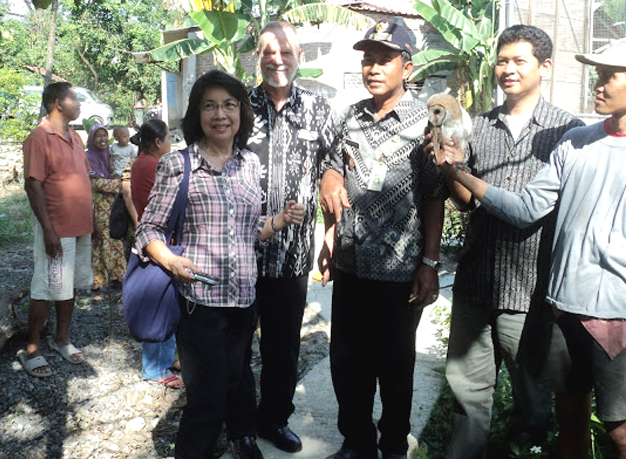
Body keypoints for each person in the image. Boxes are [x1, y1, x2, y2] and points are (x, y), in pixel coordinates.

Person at [432, 37, 626, 459]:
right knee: (570, 421)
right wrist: (458, 170)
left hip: (620, 320)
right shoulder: (575, 142)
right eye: (597, 75)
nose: (598, 84)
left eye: (609, 77)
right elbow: (524, 209)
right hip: (561, 311)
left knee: (622, 435)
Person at [427, 25, 585, 458]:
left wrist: (461, 173)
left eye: (519, 61)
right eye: (502, 61)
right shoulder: (481, 126)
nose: (508, 70)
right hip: (477, 281)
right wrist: (449, 166)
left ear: (545, 66)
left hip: (533, 289)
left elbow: (549, 210)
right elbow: (465, 204)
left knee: (532, 398)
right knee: (467, 394)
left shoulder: (568, 131)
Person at [134, 70, 305, 459]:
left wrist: (279, 220)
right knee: (206, 399)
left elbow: (247, 231)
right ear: (197, 113)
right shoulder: (178, 165)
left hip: (244, 299)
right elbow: (148, 231)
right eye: (209, 105)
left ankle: (240, 436)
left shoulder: (248, 165)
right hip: (199, 301)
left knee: (235, 376)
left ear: (241, 112)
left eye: (229, 104)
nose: (220, 114)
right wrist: (173, 262)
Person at [318, 21, 445, 459]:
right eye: (367, 59)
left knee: (393, 369)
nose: (373, 67)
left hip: (398, 272)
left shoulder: (424, 123)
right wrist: (330, 234)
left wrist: (430, 264)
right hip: (351, 265)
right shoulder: (351, 115)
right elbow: (334, 168)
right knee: (347, 365)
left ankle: (392, 446)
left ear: (406, 67)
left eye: (383, 59)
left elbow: (433, 197)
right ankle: (356, 444)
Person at [240, 21, 338, 454]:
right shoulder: (238, 106)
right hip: (238, 254)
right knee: (237, 348)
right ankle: (240, 427)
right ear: (257, 57)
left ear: (299, 56)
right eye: (268, 52)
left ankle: (273, 421)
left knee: (282, 350)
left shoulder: (319, 109)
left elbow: (335, 167)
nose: (277, 59)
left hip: (292, 257)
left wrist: (330, 236)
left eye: (285, 52)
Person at [20, 82, 94, 377]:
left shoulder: (74, 136)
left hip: (80, 226)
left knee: (69, 285)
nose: (79, 105)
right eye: (75, 99)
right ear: (57, 103)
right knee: (45, 287)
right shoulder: (39, 137)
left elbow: (82, 180)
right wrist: (48, 230)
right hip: (56, 227)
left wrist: (93, 224)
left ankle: (61, 338)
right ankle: (33, 348)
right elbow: (32, 184)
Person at [123, 119, 183, 388]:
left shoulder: (141, 162)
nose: (170, 143)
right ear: (158, 141)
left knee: (166, 302)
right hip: (160, 239)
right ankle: (156, 368)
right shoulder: (153, 164)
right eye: (169, 137)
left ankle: (165, 359)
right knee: (161, 305)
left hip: (155, 238)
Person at [87, 125, 127, 291]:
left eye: (104, 135)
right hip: (99, 206)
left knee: (114, 239)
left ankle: (116, 278)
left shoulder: (111, 155)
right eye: (98, 136)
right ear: (91, 139)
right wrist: (122, 184)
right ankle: (98, 279)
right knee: (101, 241)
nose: (102, 139)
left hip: (113, 205)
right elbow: (97, 184)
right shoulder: (88, 158)